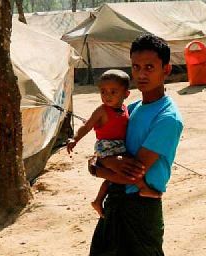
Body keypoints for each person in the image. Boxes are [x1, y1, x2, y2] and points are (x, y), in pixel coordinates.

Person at [82, 34, 206, 256]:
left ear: (166, 70)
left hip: (142, 205)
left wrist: (97, 167)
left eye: (150, 67)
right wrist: (99, 164)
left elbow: (131, 171)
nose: (141, 73)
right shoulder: (132, 109)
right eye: (136, 66)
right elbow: (106, 151)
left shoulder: (168, 118)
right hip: (117, 201)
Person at [66, 69, 161, 218]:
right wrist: (75, 139)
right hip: (107, 147)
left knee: (114, 176)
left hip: (119, 146)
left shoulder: (125, 109)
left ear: (126, 94)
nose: (107, 96)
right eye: (103, 92)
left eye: (113, 92)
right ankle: (143, 187)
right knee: (130, 170)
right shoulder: (102, 111)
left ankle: (98, 200)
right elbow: (87, 126)